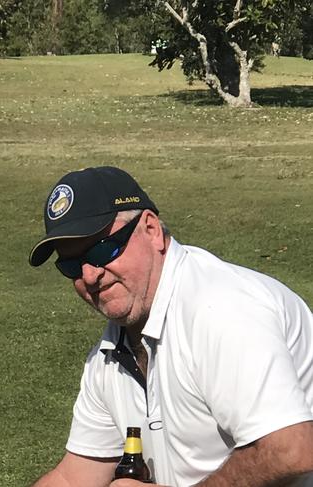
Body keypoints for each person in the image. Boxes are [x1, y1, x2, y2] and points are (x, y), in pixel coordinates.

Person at [28, 166, 313, 487]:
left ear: (151, 229)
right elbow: (73, 478)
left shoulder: (220, 308)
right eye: (71, 265)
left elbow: (292, 450)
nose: (90, 276)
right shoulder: (109, 353)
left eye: (102, 249)